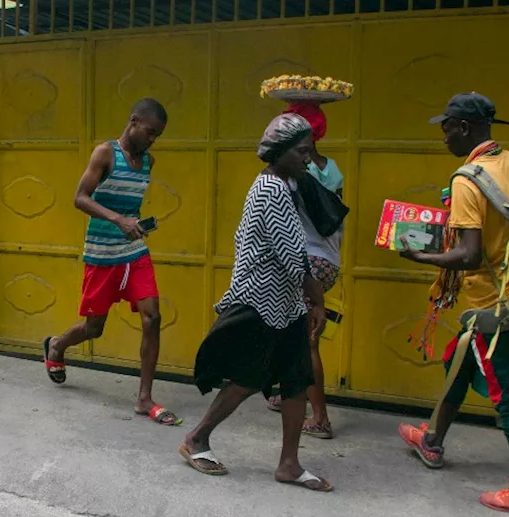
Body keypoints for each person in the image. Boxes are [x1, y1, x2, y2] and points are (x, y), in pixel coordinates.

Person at [398, 92, 509, 517]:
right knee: (459, 360)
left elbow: (469, 255)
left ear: (463, 128)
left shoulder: (468, 178)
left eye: (446, 128)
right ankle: (431, 442)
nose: (443, 137)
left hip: (492, 303)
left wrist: (420, 256)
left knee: (506, 393)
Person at [179, 114, 331, 492]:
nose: (308, 159)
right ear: (278, 152)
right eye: (301, 151)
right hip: (261, 301)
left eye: (309, 151)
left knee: (297, 379)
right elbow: (293, 254)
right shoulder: (271, 190)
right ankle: (196, 438)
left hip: (285, 302)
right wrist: (318, 299)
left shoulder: (287, 185)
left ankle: (289, 464)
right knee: (247, 378)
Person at [42, 99, 178, 425]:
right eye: (150, 132)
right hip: (101, 254)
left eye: (157, 135)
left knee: (152, 317)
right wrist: (119, 220)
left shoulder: (148, 162)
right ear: (133, 122)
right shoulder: (105, 154)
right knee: (94, 328)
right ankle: (57, 346)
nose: (152, 140)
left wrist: (134, 224)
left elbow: (129, 206)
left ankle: (144, 399)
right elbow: (80, 198)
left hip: (134, 253)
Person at [264, 102, 344, 440]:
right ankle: (291, 392)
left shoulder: (295, 172)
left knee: (306, 340)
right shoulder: (333, 168)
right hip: (329, 259)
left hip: (307, 261)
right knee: (292, 328)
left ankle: (320, 417)